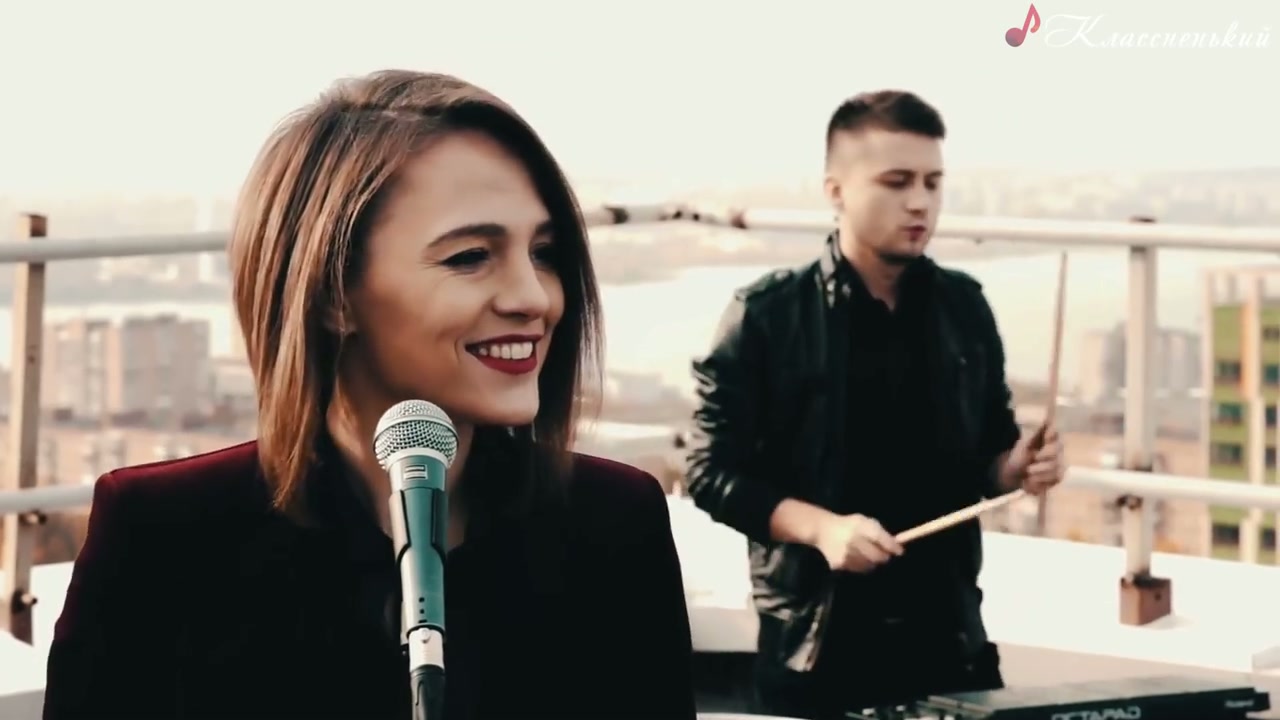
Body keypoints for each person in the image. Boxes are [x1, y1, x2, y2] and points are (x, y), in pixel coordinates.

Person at [43, 70, 697, 720]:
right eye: (470, 256)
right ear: (333, 293)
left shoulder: (614, 523)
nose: (535, 297)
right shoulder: (164, 538)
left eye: (545, 253)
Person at [684, 90, 1066, 719]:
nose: (920, 202)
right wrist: (824, 529)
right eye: (897, 182)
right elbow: (709, 472)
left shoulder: (964, 308)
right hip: (817, 646)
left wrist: (1017, 467)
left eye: (933, 183)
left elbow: (987, 461)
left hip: (949, 635)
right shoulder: (767, 316)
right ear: (836, 191)